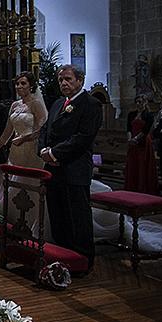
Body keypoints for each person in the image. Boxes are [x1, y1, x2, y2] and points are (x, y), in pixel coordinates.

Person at [38, 65, 102, 269]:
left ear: (80, 81)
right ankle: (62, 256)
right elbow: (45, 130)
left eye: (68, 79)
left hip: (75, 168)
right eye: (61, 80)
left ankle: (82, 260)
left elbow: (83, 138)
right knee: (58, 213)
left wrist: (55, 153)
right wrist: (43, 150)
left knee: (77, 216)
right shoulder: (57, 103)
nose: (63, 83)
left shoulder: (91, 104)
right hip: (53, 169)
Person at [0, 72, 48, 225]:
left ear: (31, 85)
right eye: (17, 84)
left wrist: (24, 138)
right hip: (16, 150)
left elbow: (42, 129)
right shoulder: (15, 105)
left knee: (29, 183)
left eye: (23, 83)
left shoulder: (36, 103)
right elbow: (7, 131)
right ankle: (12, 219)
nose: (19, 86)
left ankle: (30, 222)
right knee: (11, 183)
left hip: (31, 148)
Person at [124, 94, 158, 195]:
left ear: (145, 102)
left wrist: (136, 139)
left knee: (142, 164)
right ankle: (132, 187)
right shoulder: (131, 114)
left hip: (143, 141)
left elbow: (146, 130)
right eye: (137, 102)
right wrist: (130, 139)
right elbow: (128, 128)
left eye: (141, 102)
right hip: (133, 142)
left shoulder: (149, 115)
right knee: (133, 163)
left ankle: (142, 187)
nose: (138, 104)